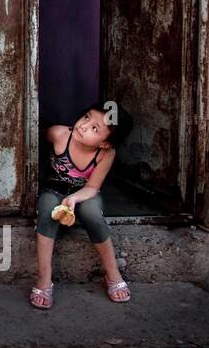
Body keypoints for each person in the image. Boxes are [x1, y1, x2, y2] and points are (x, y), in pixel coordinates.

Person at [29, 103, 134, 309]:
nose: (84, 126)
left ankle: (113, 274)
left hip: (85, 193)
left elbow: (93, 186)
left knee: (92, 212)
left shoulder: (106, 154)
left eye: (95, 128)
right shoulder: (59, 134)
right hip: (53, 190)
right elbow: (33, 138)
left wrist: (75, 198)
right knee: (48, 207)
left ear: (105, 143)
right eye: (87, 117)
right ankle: (44, 279)